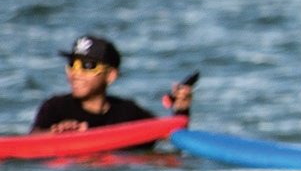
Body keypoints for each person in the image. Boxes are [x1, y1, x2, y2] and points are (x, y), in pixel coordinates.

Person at [30, 34, 194, 133]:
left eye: (88, 66)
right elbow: (31, 139)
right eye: (72, 64)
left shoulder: (128, 113)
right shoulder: (54, 108)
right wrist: (57, 134)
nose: (76, 73)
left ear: (111, 75)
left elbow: (169, 137)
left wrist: (181, 110)